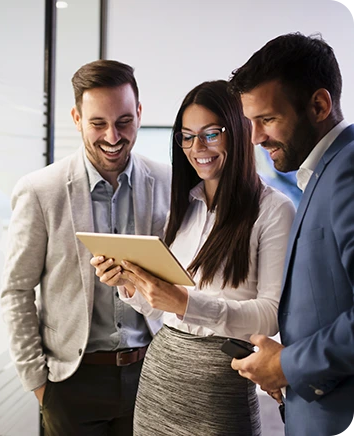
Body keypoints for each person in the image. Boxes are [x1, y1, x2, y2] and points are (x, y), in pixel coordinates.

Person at [92, 80, 295, 436]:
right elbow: (161, 309)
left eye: (210, 134)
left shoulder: (274, 209)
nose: (196, 147)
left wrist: (186, 302)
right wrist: (131, 284)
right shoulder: (185, 205)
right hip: (160, 380)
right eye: (186, 136)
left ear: (238, 131)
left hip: (219, 387)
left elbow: (270, 316)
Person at [0, 59, 171, 435]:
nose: (112, 136)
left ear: (139, 113)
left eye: (124, 121)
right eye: (98, 123)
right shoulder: (40, 191)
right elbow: (16, 290)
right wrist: (40, 385)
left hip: (152, 375)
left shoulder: (168, 182)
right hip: (71, 383)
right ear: (77, 118)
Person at [229, 32, 354, 436]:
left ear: (319, 105)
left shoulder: (348, 173)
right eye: (250, 122)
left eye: (266, 120)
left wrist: (286, 365)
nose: (255, 137)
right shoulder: (321, 174)